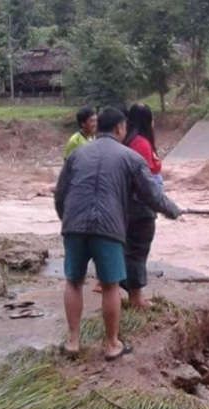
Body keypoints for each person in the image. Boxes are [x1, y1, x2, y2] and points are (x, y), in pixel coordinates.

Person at [55, 107, 181, 360]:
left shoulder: (77, 154)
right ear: (119, 128)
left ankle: (73, 341)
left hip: (74, 225)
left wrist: (66, 219)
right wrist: (173, 210)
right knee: (111, 285)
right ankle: (112, 344)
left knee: (74, 281)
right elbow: (151, 195)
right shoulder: (130, 157)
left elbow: (60, 193)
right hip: (108, 227)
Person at [121, 103, 163, 309]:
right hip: (141, 205)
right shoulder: (141, 144)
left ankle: (132, 293)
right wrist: (165, 206)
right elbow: (143, 180)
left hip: (133, 204)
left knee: (130, 249)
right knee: (138, 249)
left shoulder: (132, 140)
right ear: (147, 120)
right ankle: (136, 298)